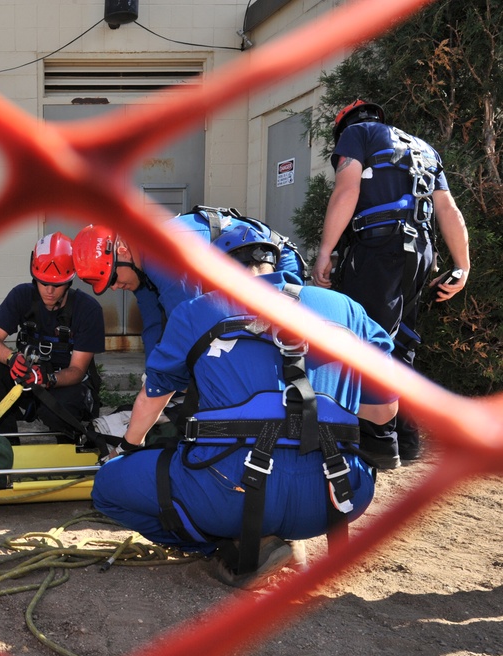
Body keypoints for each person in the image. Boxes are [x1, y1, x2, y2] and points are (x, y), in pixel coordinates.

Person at [91, 225, 398, 589]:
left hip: (227, 492)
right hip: (337, 497)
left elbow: (152, 397)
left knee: (107, 488)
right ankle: (278, 537)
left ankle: (231, 547)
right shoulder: (347, 308)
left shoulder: (198, 311)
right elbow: (383, 412)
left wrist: (127, 448)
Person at [311, 100, 471, 468]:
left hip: (380, 249)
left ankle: (377, 444)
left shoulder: (357, 134)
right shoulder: (423, 149)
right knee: (402, 343)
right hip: (420, 253)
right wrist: (462, 265)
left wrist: (325, 251)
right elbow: (447, 209)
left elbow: (347, 189)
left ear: (344, 128)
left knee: (365, 340)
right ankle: (407, 440)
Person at [72, 206, 305, 361]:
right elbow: (154, 328)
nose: (114, 287)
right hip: (241, 274)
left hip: (274, 266)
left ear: (122, 251)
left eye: (112, 278)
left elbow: (190, 327)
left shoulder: (161, 257)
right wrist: (153, 378)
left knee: (259, 356)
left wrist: (169, 386)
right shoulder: (142, 268)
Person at [0, 232, 105, 441]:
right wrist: (12, 359)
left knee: (61, 408)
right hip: (28, 379)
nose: (49, 291)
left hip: (65, 385)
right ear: (34, 278)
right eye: (43, 283)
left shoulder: (88, 310)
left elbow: (77, 371)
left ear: (69, 281)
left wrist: (48, 379)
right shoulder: (22, 296)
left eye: (57, 285)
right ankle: (4, 442)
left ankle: (68, 443)